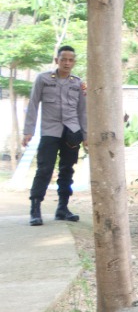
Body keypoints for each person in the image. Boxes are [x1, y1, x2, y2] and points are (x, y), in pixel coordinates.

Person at [23, 44, 88, 226]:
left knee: (67, 169)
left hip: (72, 132)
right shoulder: (43, 79)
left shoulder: (78, 83)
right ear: (56, 60)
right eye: (63, 59)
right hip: (50, 132)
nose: (67, 63)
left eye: (70, 60)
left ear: (74, 62)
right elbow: (34, 104)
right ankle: (35, 209)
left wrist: (86, 134)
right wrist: (28, 131)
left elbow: (83, 111)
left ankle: (63, 208)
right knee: (44, 169)